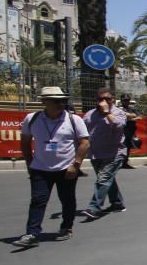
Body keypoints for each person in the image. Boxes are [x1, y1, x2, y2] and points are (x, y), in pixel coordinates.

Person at [14, 87, 90, 247]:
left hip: (66, 169)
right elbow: (25, 142)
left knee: (67, 199)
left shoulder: (74, 120)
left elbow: (85, 143)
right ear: (44, 102)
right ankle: (32, 233)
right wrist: (29, 163)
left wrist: (75, 165)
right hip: (40, 169)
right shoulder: (32, 119)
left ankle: (66, 227)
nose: (61, 103)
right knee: (37, 201)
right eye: (56, 101)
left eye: (63, 100)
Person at [81, 87, 128, 218]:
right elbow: (82, 132)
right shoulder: (89, 114)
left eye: (107, 99)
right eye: (100, 99)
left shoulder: (118, 112)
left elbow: (119, 125)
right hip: (96, 153)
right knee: (107, 180)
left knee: (103, 179)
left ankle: (94, 208)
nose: (103, 101)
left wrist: (107, 112)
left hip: (114, 153)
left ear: (112, 99)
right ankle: (117, 203)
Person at [120, 94, 139, 169]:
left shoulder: (132, 109)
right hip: (122, 130)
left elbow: (139, 116)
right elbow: (121, 116)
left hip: (130, 130)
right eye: (124, 100)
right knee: (121, 146)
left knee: (128, 146)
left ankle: (125, 162)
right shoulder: (118, 109)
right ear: (121, 100)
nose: (126, 102)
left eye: (127, 100)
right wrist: (132, 116)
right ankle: (119, 162)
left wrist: (129, 117)